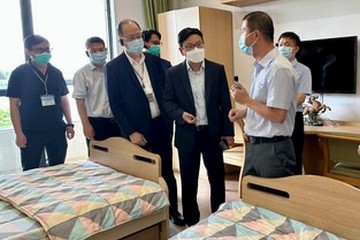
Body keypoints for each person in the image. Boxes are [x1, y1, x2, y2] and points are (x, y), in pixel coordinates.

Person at [104, 19, 185, 226]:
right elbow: (116, 103)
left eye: (139, 35)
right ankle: (146, 215)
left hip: (161, 124)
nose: (137, 40)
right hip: (136, 131)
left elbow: (167, 95)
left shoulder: (157, 62)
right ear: (121, 40)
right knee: (141, 173)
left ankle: (172, 210)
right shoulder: (113, 67)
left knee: (166, 170)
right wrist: (130, 131)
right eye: (131, 37)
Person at [163, 27, 234, 226]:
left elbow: (225, 103)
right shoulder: (173, 73)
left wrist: (228, 133)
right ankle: (192, 224)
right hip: (187, 134)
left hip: (212, 134)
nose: (195, 48)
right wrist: (181, 115)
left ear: (203, 44)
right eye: (190, 46)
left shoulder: (216, 69)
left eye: (198, 44)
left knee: (217, 180)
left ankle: (219, 220)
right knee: (189, 181)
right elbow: (167, 102)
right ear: (181, 50)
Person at [228, 11, 298, 178]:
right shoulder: (261, 66)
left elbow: (278, 115)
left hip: (272, 149)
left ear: (255, 35)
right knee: (254, 199)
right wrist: (244, 112)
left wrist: (246, 101)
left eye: (243, 31)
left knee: (271, 201)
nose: (242, 37)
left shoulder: (279, 68)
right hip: (255, 145)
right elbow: (265, 104)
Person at [6, 34, 74, 171]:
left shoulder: (56, 72)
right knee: (31, 168)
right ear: (28, 51)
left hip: (56, 128)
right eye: (39, 50)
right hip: (31, 131)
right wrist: (18, 133)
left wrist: (70, 124)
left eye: (47, 49)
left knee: (59, 168)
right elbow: (14, 105)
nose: (45, 53)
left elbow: (64, 99)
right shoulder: (19, 73)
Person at [72, 36, 121, 155]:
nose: (99, 53)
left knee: (120, 157)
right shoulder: (82, 73)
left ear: (106, 50)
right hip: (96, 122)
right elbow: (80, 101)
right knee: (98, 158)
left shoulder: (115, 69)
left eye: (101, 49)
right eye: (94, 51)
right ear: (87, 53)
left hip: (118, 120)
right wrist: (86, 125)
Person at [278, 31, 312, 175]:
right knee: (278, 158)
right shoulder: (275, 68)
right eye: (280, 45)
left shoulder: (303, 70)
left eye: (287, 45)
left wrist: (282, 107)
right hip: (275, 118)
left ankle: (294, 194)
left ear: (296, 49)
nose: (282, 48)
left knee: (294, 157)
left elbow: (301, 97)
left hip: (293, 118)